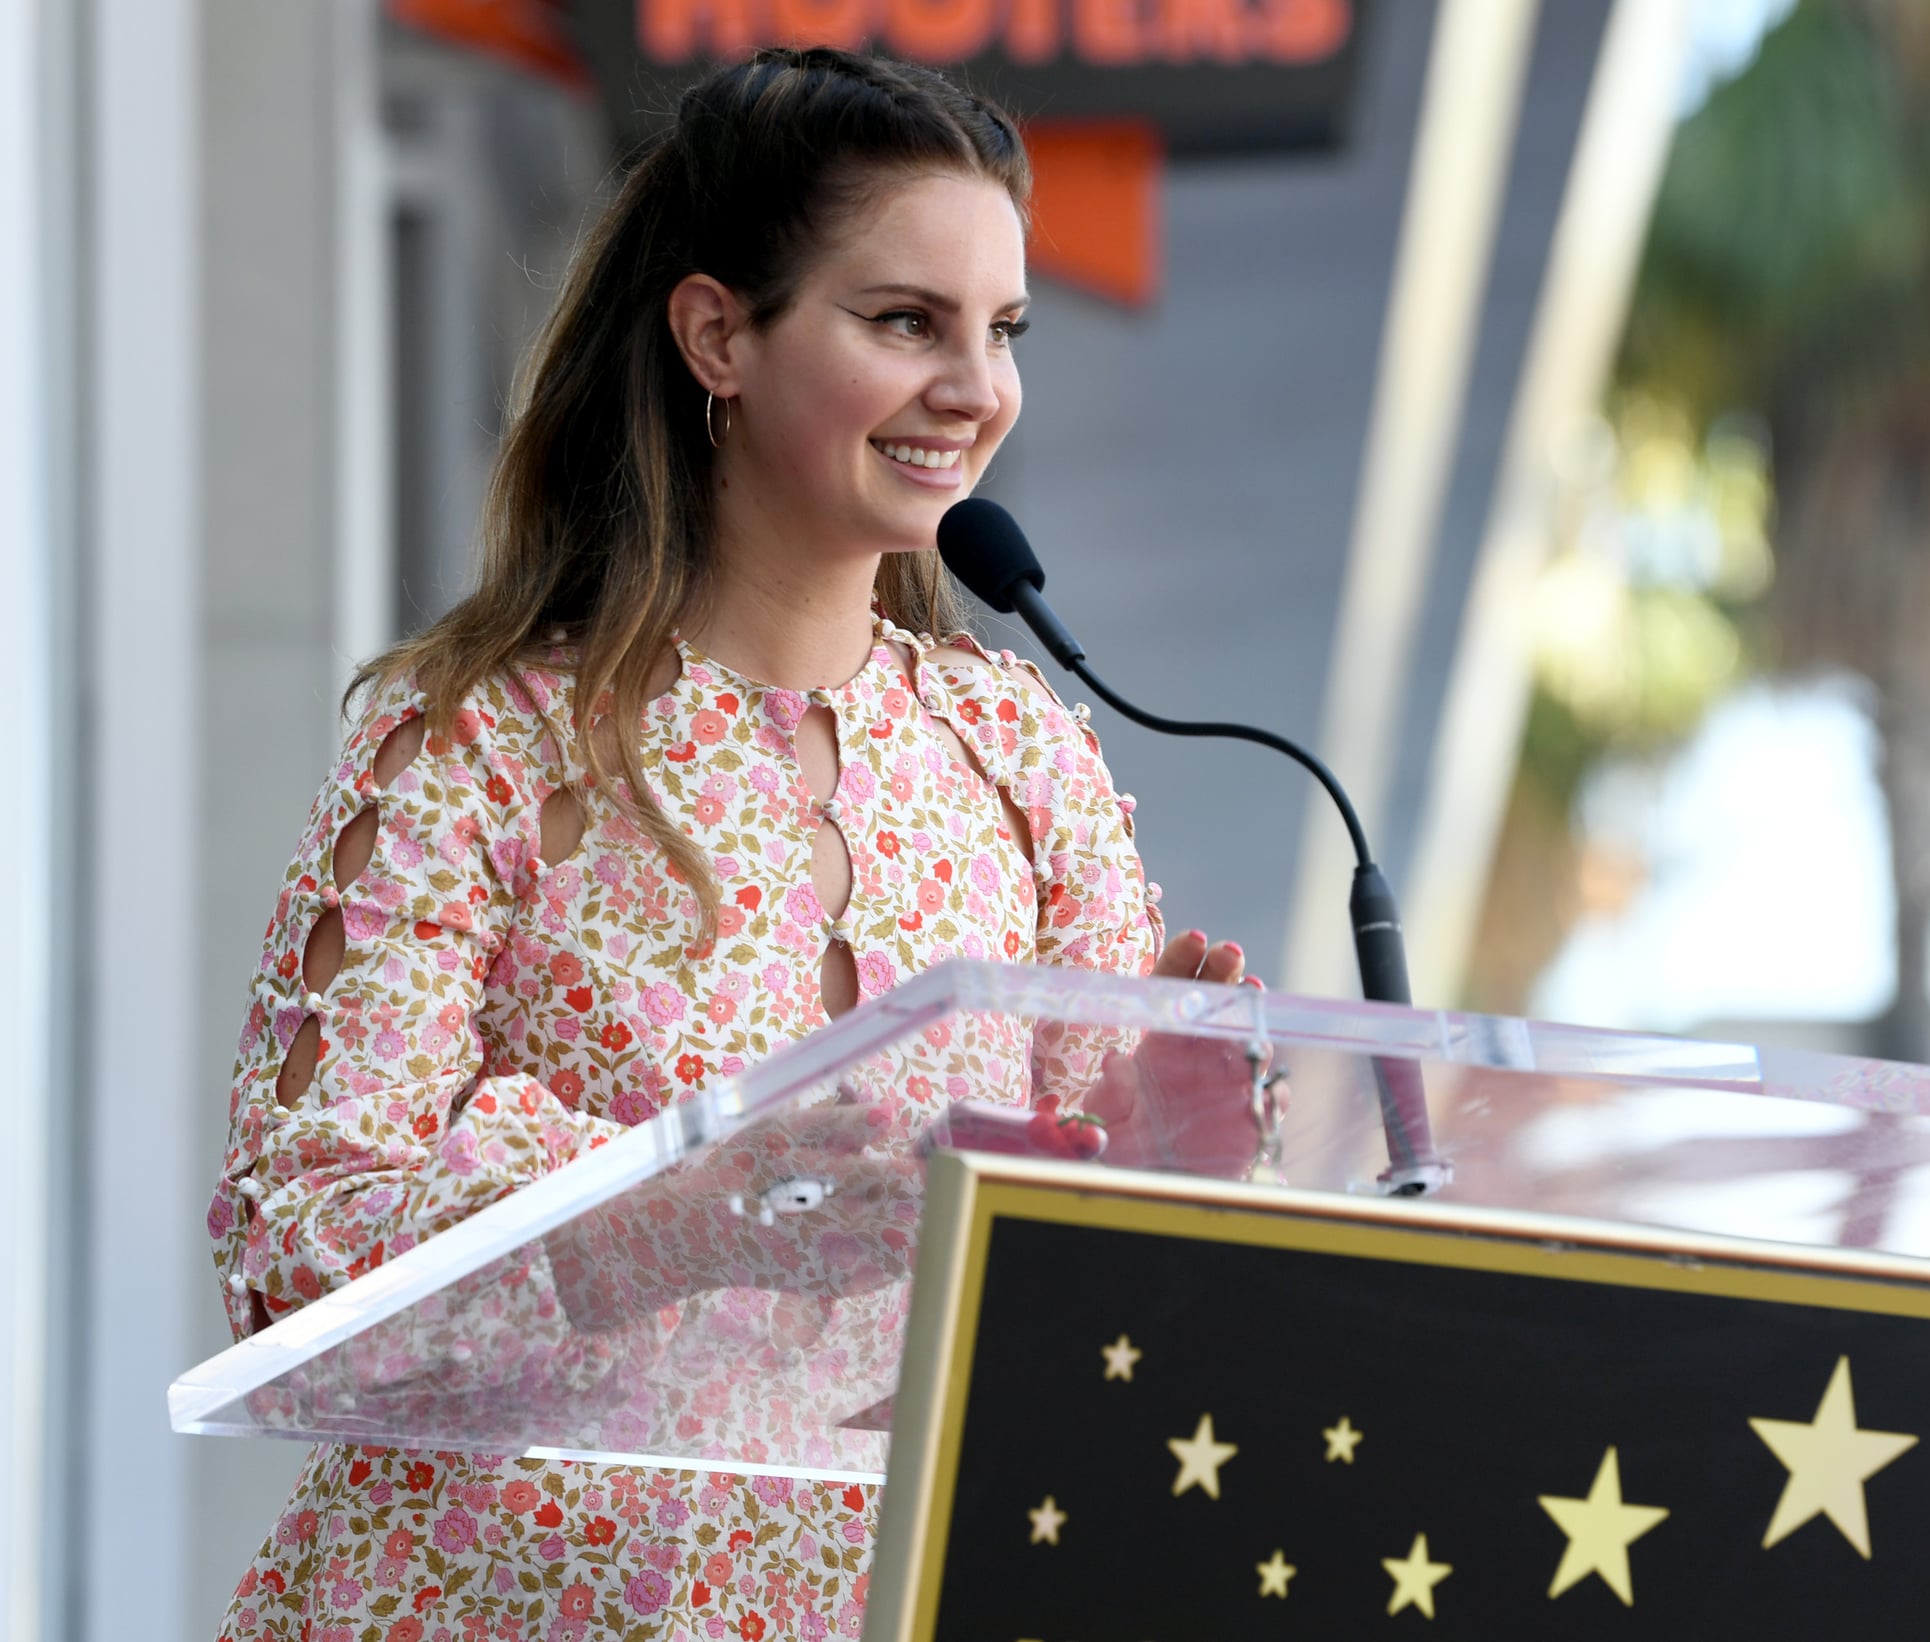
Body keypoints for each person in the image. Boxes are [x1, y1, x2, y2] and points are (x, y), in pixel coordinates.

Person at [207, 46, 1254, 1639]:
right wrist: (662, 1214)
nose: (976, 386)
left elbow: (1089, 1323)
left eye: (1003, 330)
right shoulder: (475, 742)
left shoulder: (1024, 756)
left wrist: (1178, 1160)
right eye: (908, 321)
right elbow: (294, 1243)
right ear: (717, 334)